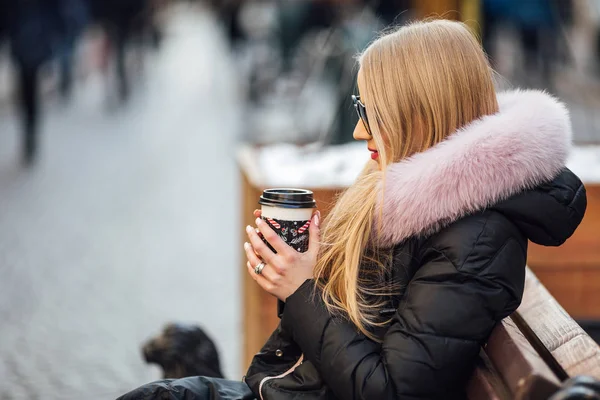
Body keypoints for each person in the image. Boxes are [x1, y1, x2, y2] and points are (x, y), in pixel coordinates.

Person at [118, 19, 586, 400]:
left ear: (419, 114)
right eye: (360, 107)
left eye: (371, 112)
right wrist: (306, 269)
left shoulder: (475, 238)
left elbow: (393, 390)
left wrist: (301, 290)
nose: (361, 132)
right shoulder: (415, 200)